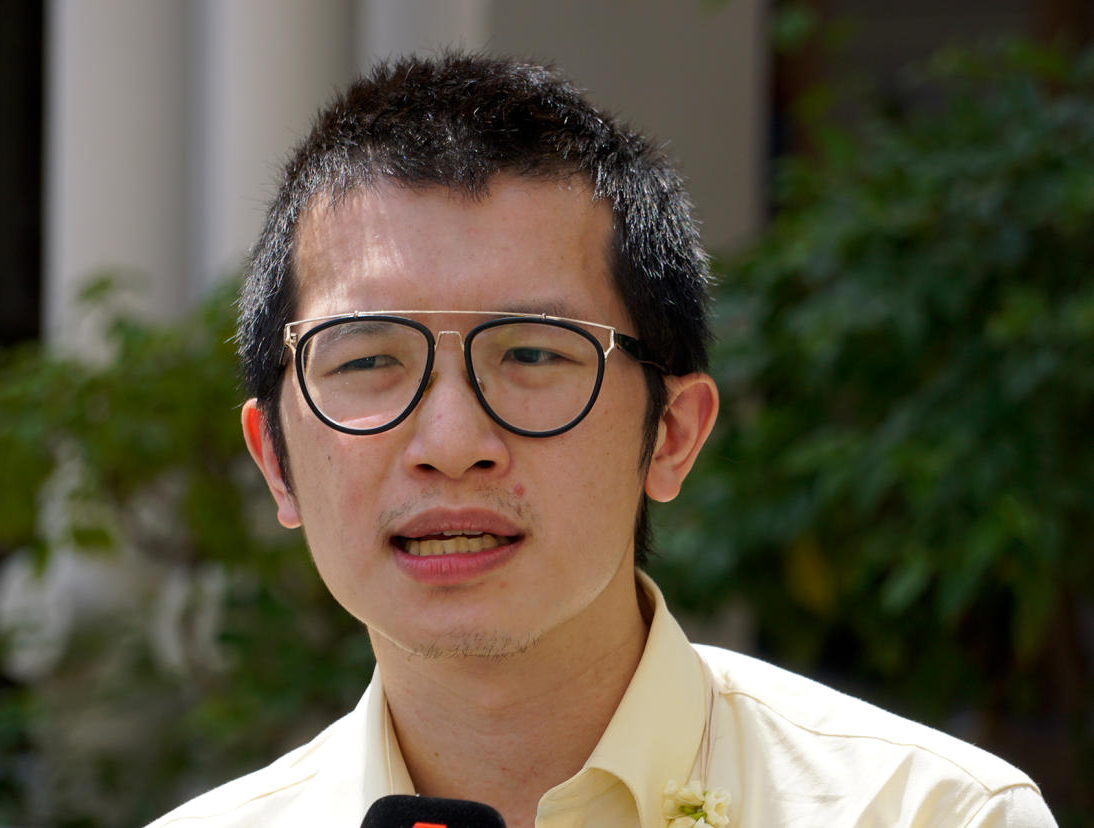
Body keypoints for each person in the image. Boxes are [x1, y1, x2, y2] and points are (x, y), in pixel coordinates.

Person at [147, 53, 1055, 828]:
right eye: (368, 360)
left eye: (535, 353)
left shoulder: (926, 812)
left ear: (671, 435)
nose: (453, 443)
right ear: (275, 460)